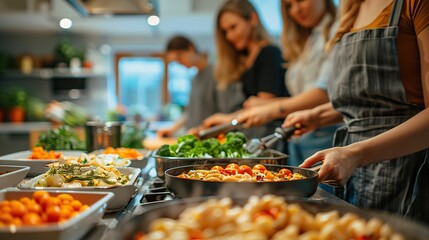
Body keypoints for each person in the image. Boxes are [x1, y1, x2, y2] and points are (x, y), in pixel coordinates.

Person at [283, 0, 429, 224]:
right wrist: (318, 116)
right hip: (355, 176)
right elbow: (369, 100)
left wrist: (357, 154)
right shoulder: (351, 9)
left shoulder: (415, 4)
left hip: (407, 171)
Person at [230, 0, 339, 166]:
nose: (296, 10)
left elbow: (324, 93)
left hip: (326, 138)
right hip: (298, 139)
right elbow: (302, 97)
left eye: (301, 1)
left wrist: (271, 108)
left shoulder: (336, 30)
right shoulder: (307, 39)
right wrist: (269, 106)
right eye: (289, 6)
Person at [200, 0, 288, 139]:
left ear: (252, 19)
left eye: (233, 27)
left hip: (271, 137)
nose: (229, 36)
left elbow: (262, 108)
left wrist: (227, 119)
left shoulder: (268, 53)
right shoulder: (246, 59)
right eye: (225, 31)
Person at [157, 35, 243, 137]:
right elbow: (189, 111)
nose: (179, 63)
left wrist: (203, 129)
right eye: (176, 61)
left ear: (190, 48)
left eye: (179, 57)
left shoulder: (218, 73)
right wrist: (173, 129)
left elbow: (226, 113)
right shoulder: (194, 79)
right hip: (195, 138)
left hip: (213, 140)